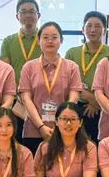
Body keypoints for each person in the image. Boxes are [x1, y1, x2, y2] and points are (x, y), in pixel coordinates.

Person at [18, 21, 83, 152]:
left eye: (54, 37)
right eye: (45, 37)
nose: (50, 41)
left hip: (64, 129)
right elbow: (26, 99)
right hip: (34, 130)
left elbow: (73, 98)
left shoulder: (72, 67)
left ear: (61, 40)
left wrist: (61, 123)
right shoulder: (29, 67)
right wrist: (41, 126)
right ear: (38, 41)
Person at [0, 0, 42, 140]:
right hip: (15, 100)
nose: (28, 15)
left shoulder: (45, 39)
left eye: (32, 11)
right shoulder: (8, 41)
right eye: (23, 12)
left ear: (38, 15)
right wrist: (21, 93)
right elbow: (6, 71)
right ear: (17, 16)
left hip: (39, 98)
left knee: (38, 138)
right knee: (15, 139)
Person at [64, 11, 108, 142]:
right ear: (83, 29)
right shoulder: (72, 53)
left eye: (97, 26)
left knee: (99, 145)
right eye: (89, 26)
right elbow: (67, 82)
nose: (93, 30)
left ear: (105, 30)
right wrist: (92, 99)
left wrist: (96, 103)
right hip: (76, 105)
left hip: (103, 108)